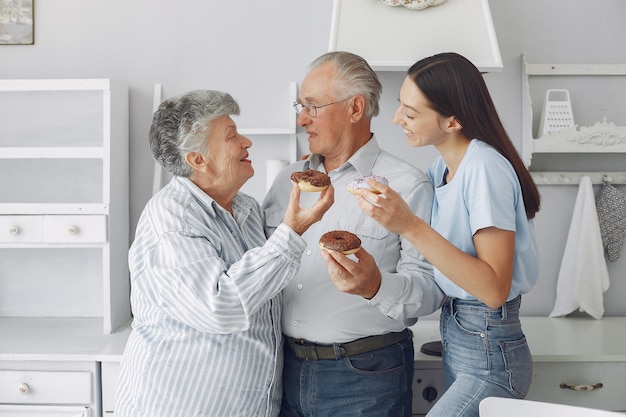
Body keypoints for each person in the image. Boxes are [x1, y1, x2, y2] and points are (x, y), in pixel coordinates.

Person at [114, 89, 334, 417]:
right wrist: (291, 234)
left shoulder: (245, 208)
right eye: (232, 136)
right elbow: (220, 307)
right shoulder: (172, 218)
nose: (247, 143)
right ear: (197, 160)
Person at [357, 52, 541, 417]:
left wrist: (409, 224)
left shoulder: (484, 169)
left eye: (410, 114)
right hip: (461, 334)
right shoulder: (442, 168)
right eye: (400, 107)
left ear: (453, 121)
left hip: (489, 349)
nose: (397, 120)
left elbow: (492, 290)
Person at [262, 51, 445, 417]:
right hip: (282, 373)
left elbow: (431, 290)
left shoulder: (407, 186)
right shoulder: (287, 182)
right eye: (301, 107)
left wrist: (375, 286)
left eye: (312, 107)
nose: (301, 119)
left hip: (365, 377)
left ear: (355, 108)